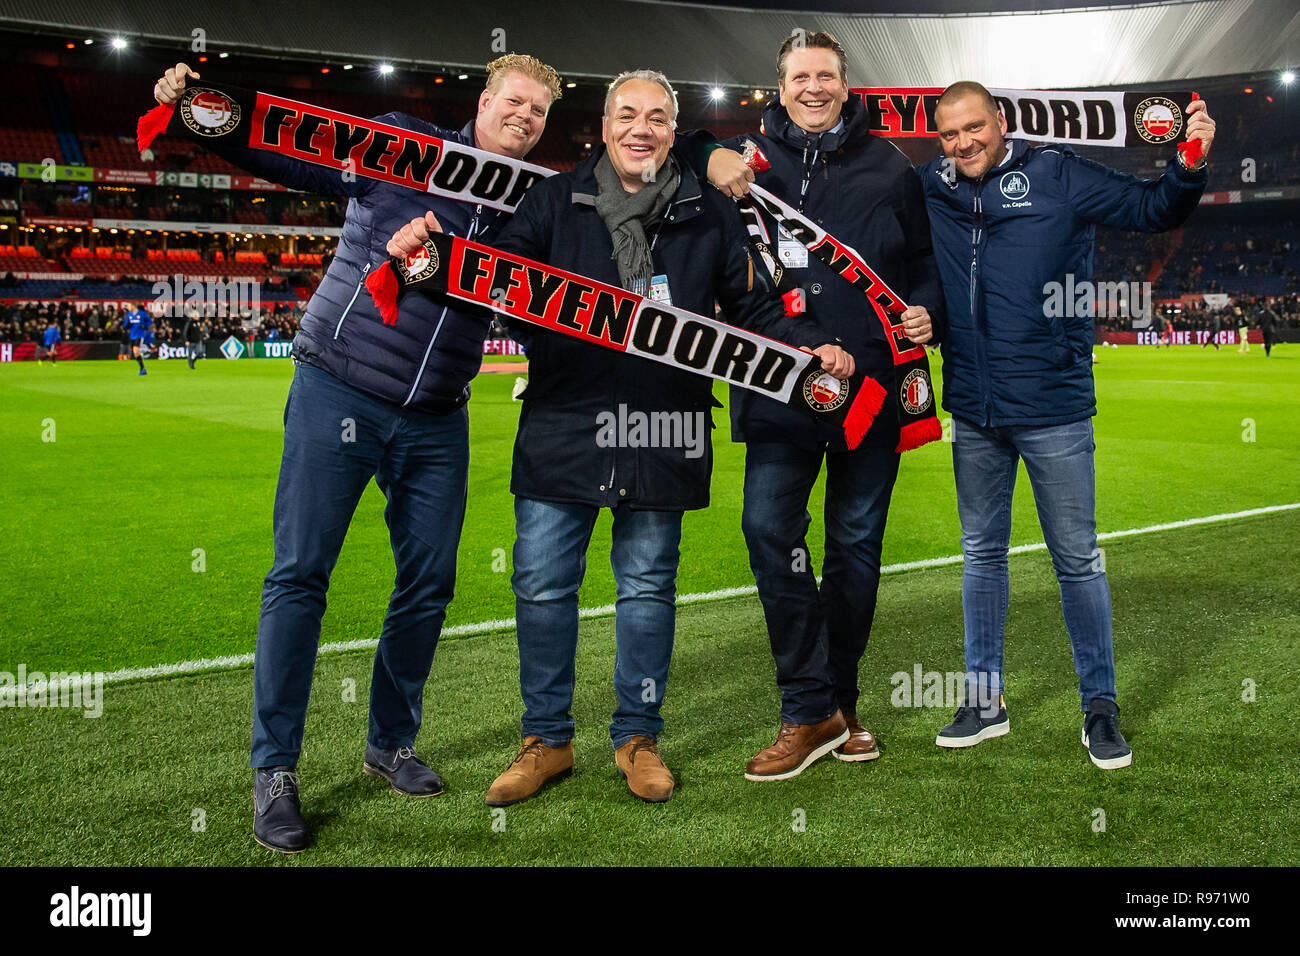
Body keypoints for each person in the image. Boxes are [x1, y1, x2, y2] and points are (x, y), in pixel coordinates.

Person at [386, 70, 852, 805]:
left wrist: (813, 346)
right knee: (541, 585)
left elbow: (757, 311)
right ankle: (546, 739)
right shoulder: (551, 199)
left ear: (674, 131)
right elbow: (494, 282)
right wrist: (433, 258)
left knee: (646, 588)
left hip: (663, 431)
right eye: (628, 115)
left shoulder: (707, 212)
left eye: (658, 117)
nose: (642, 128)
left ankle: (637, 737)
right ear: (604, 127)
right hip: (564, 425)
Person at [154, 53, 562, 852]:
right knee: (301, 574)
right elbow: (290, 151)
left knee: (431, 582)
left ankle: (389, 743)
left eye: (540, 112)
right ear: (484, 101)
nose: (525, 117)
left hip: (438, 414)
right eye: (515, 102)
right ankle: (276, 770)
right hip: (338, 387)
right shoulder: (408, 144)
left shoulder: (533, 202)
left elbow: (569, 279)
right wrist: (199, 114)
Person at [919, 81, 1213, 769]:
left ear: (1000, 122)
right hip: (974, 407)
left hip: (1052, 406)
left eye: (973, 129)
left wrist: (1190, 159)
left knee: (1077, 561)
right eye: (948, 134)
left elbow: (1153, 208)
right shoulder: (934, 186)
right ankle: (984, 702)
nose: (962, 143)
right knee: (981, 554)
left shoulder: (1056, 172)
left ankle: (1099, 709)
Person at [691, 30, 943, 779]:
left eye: (825, 76)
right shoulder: (739, 162)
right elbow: (656, 147)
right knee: (769, 531)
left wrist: (930, 310)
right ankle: (809, 704)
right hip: (779, 385)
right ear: (779, 84)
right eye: (799, 76)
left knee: (856, 548)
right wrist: (704, 151)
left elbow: (921, 265)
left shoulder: (892, 167)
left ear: (844, 81)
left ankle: (839, 704)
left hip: (869, 389)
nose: (813, 88)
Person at [123, 303, 152, 375]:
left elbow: (149, 321)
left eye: (129, 306)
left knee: (136, 351)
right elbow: (125, 325)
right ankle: (143, 369)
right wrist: (127, 325)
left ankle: (142, 369)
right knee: (135, 354)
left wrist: (145, 326)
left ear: (133, 306)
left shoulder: (142, 314)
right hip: (132, 336)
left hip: (140, 335)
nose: (128, 308)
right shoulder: (129, 315)